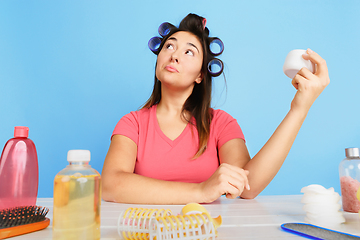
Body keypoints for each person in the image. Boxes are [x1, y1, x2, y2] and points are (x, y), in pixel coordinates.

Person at [101, 13, 330, 204]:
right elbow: (110, 185)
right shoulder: (132, 124)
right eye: (169, 46)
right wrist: (201, 191)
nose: (174, 55)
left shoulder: (220, 124)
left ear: (201, 75)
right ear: (159, 59)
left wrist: (299, 108)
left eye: (189, 51)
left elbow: (247, 186)